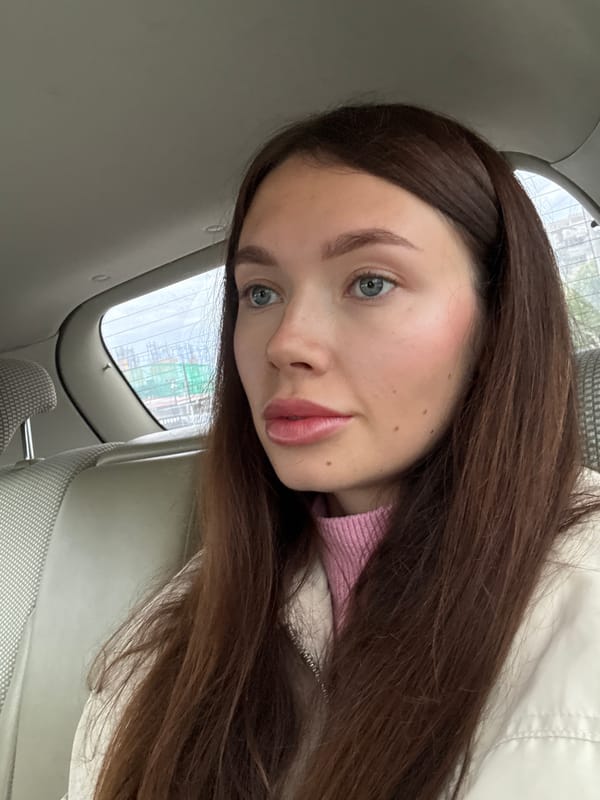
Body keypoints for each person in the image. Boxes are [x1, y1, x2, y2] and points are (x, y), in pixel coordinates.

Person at [65, 104, 600, 799]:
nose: (286, 342)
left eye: (370, 282)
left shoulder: (581, 605)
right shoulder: (168, 640)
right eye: (261, 292)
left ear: (497, 321)